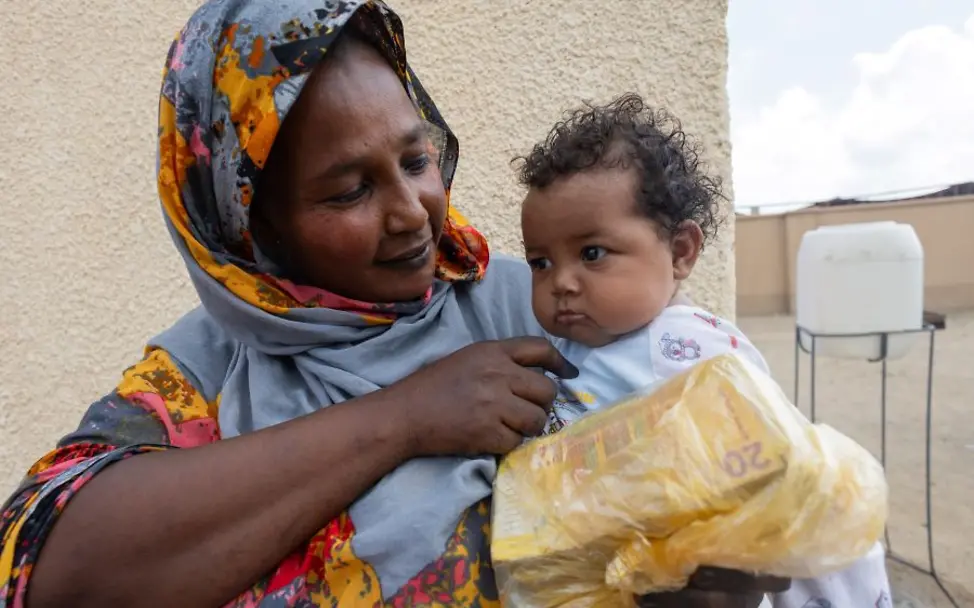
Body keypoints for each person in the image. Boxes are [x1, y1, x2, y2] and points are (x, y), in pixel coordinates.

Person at [0, 1, 890, 607]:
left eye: (416, 160)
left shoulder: (541, 307)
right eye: (349, 190)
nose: (412, 213)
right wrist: (403, 420)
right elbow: (45, 566)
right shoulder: (205, 371)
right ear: (251, 226)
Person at [515, 94, 894, 607]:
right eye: (540, 262)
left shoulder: (683, 349)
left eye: (592, 253)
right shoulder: (576, 344)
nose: (561, 282)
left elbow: (764, 474)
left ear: (681, 252)